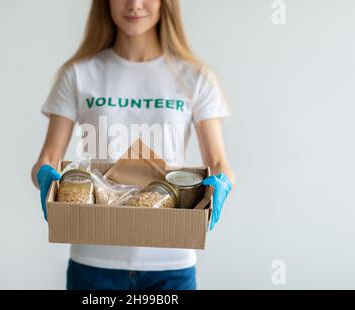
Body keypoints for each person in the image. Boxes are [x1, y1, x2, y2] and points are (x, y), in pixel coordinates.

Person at [31, 0, 235, 290]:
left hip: (170, 262)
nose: (134, 5)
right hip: (94, 261)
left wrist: (223, 183)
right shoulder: (78, 74)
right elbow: (48, 157)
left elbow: (218, 162)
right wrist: (46, 178)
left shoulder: (196, 77)